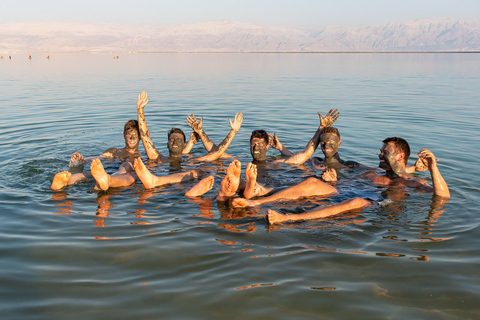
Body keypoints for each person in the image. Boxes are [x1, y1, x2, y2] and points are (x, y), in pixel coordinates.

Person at [136, 90, 242, 163]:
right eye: (172, 139)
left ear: (184, 145)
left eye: (179, 140)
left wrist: (233, 131)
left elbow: (218, 152)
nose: (175, 141)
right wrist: (140, 110)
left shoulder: (192, 161)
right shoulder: (158, 158)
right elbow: (145, 136)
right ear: (167, 144)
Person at [51, 119, 141, 190]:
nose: (132, 138)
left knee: (126, 165)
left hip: (117, 175)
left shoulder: (142, 156)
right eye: (129, 135)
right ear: (124, 135)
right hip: (105, 171)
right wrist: (82, 160)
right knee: (86, 174)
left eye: (135, 135)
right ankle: (63, 183)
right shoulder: (114, 151)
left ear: (140, 137)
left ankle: (104, 180)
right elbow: (99, 158)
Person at [364, 137, 450, 198]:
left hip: (390, 208)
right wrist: (413, 168)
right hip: (365, 198)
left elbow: (443, 196)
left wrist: (433, 168)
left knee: (358, 201)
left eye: (385, 152)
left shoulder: (413, 183)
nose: (380, 155)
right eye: (381, 152)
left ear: (400, 157)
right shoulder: (371, 175)